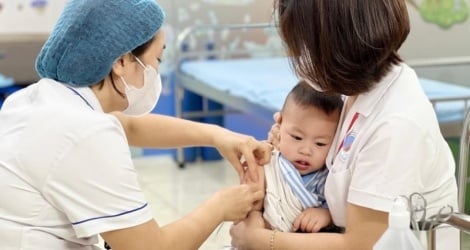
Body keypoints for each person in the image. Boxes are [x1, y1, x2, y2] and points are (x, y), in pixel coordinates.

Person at [0, 1, 272, 249]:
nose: (155, 70)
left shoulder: (36, 99)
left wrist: (218, 136)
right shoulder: (85, 132)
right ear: (121, 61)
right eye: (157, 59)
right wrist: (220, 207)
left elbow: (130, 127)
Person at [230, 1, 460, 250]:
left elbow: (361, 244)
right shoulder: (356, 88)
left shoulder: (396, 126)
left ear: (338, 47)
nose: (297, 56)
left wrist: (260, 240)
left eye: (304, 45)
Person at [251, 80, 343, 233]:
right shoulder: (268, 162)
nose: (306, 150)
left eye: (320, 143)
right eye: (297, 137)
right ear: (279, 124)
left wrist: (327, 214)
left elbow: (343, 212)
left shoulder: (328, 179)